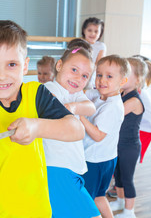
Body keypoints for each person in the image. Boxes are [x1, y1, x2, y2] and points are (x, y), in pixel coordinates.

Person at [0, 20, 84, 218]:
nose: (1, 75)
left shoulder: (36, 94)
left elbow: (76, 129)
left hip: (34, 209)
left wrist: (36, 126)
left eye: (12, 65)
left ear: (25, 66)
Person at [43, 45, 101, 218]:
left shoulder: (74, 95)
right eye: (74, 70)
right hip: (56, 166)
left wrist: (73, 107)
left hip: (69, 167)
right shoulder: (49, 89)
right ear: (59, 66)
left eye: (84, 76)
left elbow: (90, 108)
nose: (78, 78)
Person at [80, 55, 130, 218]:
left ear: (122, 81)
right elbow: (84, 92)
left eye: (109, 76)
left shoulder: (111, 106)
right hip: (106, 158)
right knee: (99, 196)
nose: (102, 80)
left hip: (96, 160)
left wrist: (79, 116)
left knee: (86, 199)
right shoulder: (99, 95)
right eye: (99, 75)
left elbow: (98, 135)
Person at [110, 57, 148, 218]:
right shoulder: (123, 94)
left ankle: (129, 211)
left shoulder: (133, 100)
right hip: (119, 144)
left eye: (127, 73)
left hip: (129, 147)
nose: (122, 76)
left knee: (127, 178)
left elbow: (114, 114)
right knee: (117, 175)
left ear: (137, 79)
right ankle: (119, 201)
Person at [132, 55, 151, 163]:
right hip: (144, 126)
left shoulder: (139, 90)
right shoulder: (139, 88)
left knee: (131, 158)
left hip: (144, 129)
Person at [81, 17, 107, 89]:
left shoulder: (101, 46)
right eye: (89, 30)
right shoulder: (79, 43)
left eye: (96, 31)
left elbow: (98, 63)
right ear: (84, 30)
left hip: (92, 76)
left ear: (100, 33)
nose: (92, 33)